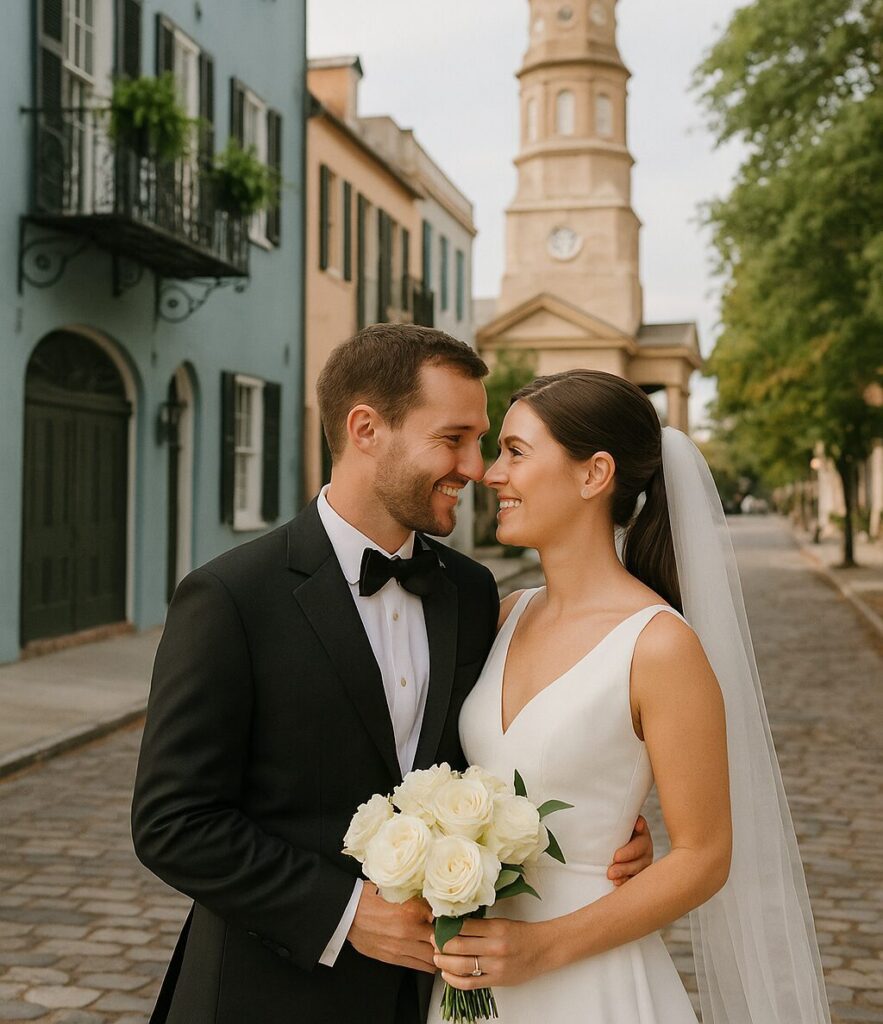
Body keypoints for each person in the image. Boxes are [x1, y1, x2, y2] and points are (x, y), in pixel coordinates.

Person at [131, 328, 654, 1024]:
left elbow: (500, 751)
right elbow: (173, 822)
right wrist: (346, 913)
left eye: (485, 442)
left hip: (433, 998)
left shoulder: (472, 595)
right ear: (366, 429)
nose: (475, 468)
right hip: (265, 994)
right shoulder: (230, 597)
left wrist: (594, 830)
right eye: (454, 438)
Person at [428, 370, 831, 1023]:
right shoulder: (504, 614)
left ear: (594, 475)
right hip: (474, 979)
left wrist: (540, 948)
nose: (490, 473)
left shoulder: (658, 647)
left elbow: (704, 856)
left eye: (515, 451)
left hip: (589, 979)